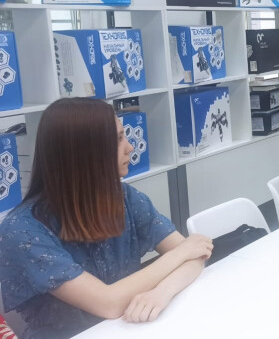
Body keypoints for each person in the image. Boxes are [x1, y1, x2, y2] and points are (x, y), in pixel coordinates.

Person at [0, 98, 213, 339]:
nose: (130, 147)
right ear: (83, 153)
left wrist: (161, 292)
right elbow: (108, 303)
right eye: (118, 139)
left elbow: (197, 257)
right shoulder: (22, 230)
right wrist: (180, 253)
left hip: (131, 328)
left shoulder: (123, 197)